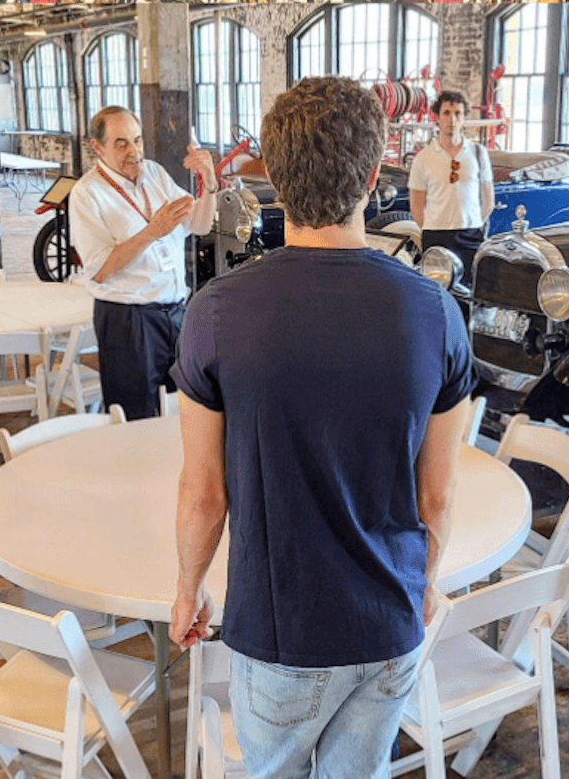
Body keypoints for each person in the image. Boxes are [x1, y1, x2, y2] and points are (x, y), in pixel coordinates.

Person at [169, 77, 475, 778]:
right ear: (375, 176)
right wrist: (425, 579)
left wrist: (188, 585)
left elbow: (203, 490)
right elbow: (437, 495)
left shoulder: (215, 311)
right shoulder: (435, 313)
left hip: (279, 627)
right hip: (388, 619)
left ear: (273, 175)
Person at [67, 106, 217, 420]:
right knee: (135, 416)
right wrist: (151, 232)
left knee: (182, 409)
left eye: (137, 141)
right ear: (98, 147)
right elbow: (100, 270)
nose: (134, 151)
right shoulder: (86, 194)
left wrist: (209, 182)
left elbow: (199, 225)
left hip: (174, 311)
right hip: (128, 319)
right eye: (121, 143)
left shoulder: (155, 174)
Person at [408, 90, 494, 284]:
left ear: (464, 118)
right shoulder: (423, 158)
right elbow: (416, 206)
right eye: (446, 113)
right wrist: (433, 226)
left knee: (471, 294)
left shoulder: (478, 153)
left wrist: (473, 222)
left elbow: (488, 200)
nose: (452, 119)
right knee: (438, 294)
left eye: (457, 114)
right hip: (436, 236)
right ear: (437, 117)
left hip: (470, 234)